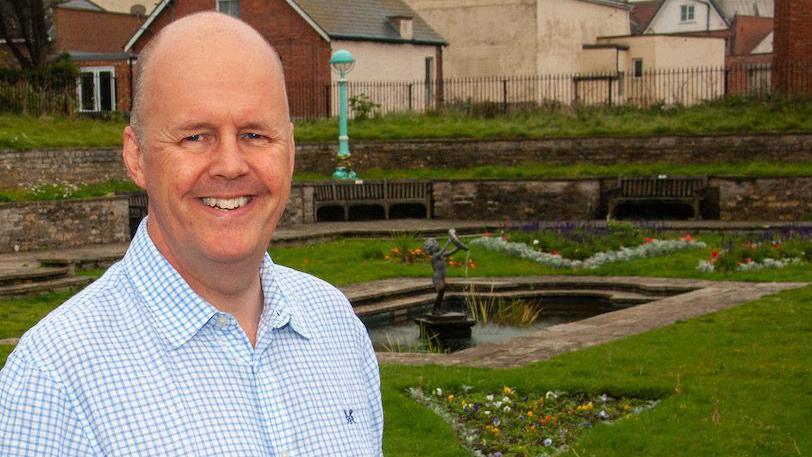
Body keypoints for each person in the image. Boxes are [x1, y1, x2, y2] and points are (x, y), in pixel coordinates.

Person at [0, 13, 382, 456]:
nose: (231, 165)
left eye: (255, 134)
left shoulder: (337, 327)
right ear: (137, 156)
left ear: (291, 152)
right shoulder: (55, 380)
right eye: (196, 137)